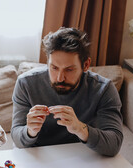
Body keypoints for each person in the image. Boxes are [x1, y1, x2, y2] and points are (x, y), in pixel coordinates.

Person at [11, 27, 123, 157]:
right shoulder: (26, 83)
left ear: (86, 65)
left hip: (80, 156)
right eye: (54, 68)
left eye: (69, 69)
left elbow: (114, 145)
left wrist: (80, 128)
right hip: (38, 156)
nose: (60, 78)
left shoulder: (103, 89)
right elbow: (17, 137)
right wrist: (30, 131)